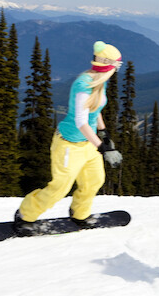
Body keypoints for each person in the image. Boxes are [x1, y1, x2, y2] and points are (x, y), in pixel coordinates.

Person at [14, 40, 123, 235]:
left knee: (94, 180)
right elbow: (81, 121)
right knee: (60, 187)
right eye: (117, 64)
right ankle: (25, 214)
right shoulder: (84, 84)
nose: (117, 68)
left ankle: (80, 214)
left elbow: (95, 108)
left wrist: (103, 132)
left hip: (88, 143)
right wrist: (103, 147)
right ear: (109, 64)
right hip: (69, 144)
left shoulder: (99, 80)